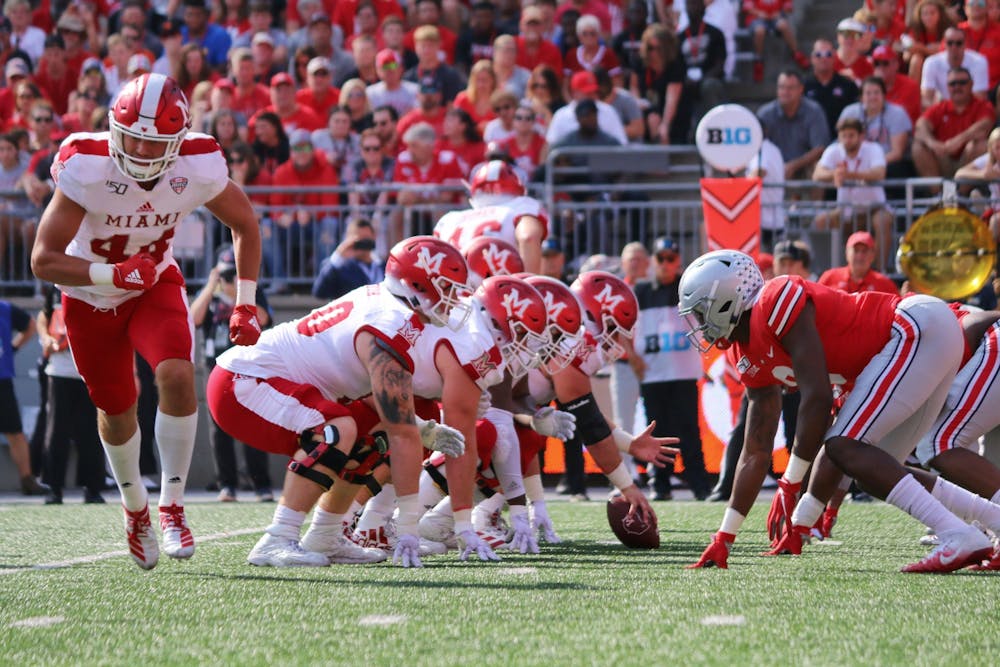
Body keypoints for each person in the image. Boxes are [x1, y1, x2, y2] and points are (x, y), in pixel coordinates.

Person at [30, 73, 263, 571]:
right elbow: (43, 260)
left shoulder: (198, 162)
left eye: (151, 140)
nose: (137, 149)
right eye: (130, 135)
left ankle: (173, 505)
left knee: (178, 372)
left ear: (177, 142)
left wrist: (246, 301)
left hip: (154, 283)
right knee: (118, 411)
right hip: (90, 294)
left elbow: (244, 222)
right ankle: (135, 508)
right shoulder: (87, 164)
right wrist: (110, 272)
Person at [681, 250, 994, 573]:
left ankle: (957, 533)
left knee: (847, 445)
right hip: (922, 339)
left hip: (915, 327)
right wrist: (725, 537)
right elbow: (755, 450)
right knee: (872, 471)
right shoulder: (742, 353)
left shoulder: (774, 299)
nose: (700, 325)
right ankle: (993, 521)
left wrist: (790, 484)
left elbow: (817, 398)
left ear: (725, 298)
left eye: (701, 312)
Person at [206, 236, 472, 568]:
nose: (453, 298)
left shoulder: (392, 306)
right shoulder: (389, 322)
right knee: (339, 427)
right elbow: (403, 432)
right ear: (417, 281)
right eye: (447, 287)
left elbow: (387, 414)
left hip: (264, 384)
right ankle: (278, 538)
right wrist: (408, 529)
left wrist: (420, 426)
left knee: (373, 436)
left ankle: (326, 534)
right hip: (243, 382)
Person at [189, 245, 274, 502]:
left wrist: (240, 295)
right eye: (226, 274)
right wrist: (211, 285)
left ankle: (261, 484)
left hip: (248, 365)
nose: (230, 280)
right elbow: (193, 318)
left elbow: (265, 319)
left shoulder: (251, 293)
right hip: (216, 367)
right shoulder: (212, 296)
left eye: (233, 273)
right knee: (218, 428)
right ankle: (227, 484)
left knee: (254, 423)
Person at [632, 238, 711, 500]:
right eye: (660, 258)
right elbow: (622, 326)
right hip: (653, 375)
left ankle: (699, 485)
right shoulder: (640, 292)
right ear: (653, 260)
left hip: (684, 373)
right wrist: (632, 357)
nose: (665, 264)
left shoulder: (687, 288)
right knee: (657, 432)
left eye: (671, 258)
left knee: (689, 430)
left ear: (677, 261)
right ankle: (660, 485)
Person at [35, 285, 105, 504]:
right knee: (56, 432)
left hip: (90, 371)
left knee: (91, 433)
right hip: (59, 371)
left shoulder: (99, 284)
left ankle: (92, 488)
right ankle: (54, 488)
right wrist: (46, 338)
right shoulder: (57, 285)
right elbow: (43, 316)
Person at [433, 159, 548, 274]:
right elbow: (528, 237)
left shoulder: (450, 219)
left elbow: (433, 258)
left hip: (455, 287)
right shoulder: (521, 206)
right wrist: (527, 284)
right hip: (498, 285)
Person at [812, 117, 894, 271]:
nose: (847, 140)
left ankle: (879, 271)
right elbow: (817, 174)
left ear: (861, 136)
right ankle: (830, 271)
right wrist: (835, 174)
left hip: (875, 208)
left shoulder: (873, 149)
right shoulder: (834, 150)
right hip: (846, 210)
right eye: (844, 136)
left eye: (851, 135)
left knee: (882, 221)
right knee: (821, 221)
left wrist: (849, 175)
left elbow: (879, 173)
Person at [1, 298, 48, 496]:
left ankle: (27, 480)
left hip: (2, 379)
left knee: (15, 431)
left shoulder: (4, 308)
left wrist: (12, 349)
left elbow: (30, 326)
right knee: (15, 433)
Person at [912, 66, 994, 179]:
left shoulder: (983, 106)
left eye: (962, 82)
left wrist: (958, 140)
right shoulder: (940, 107)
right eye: (952, 83)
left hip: (968, 162)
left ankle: (962, 192)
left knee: (979, 145)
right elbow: (920, 126)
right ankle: (938, 193)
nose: (957, 87)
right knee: (918, 147)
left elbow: (984, 127)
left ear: (971, 84)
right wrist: (932, 143)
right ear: (947, 87)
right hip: (943, 157)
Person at [756, 69, 830, 180]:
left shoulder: (814, 111)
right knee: (757, 168)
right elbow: (757, 147)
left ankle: (815, 199)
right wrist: (777, 166)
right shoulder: (765, 114)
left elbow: (819, 148)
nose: (785, 92)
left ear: (801, 89)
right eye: (781, 87)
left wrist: (794, 166)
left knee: (818, 169)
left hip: (804, 166)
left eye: (790, 88)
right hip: (771, 165)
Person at [311, 218, 385, 299]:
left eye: (366, 239)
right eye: (359, 240)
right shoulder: (339, 267)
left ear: (374, 237)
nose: (363, 243)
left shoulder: (382, 266)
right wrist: (338, 257)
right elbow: (319, 292)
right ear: (348, 239)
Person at [920, 27, 990, 108]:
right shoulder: (931, 63)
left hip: (971, 110)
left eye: (959, 43)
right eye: (950, 43)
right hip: (943, 110)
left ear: (965, 44)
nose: (954, 47)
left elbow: (980, 98)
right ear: (944, 44)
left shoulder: (979, 61)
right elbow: (926, 99)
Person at [804, 38, 860, 139]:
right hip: (810, 141)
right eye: (818, 55)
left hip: (842, 141)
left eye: (828, 54)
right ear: (812, 58)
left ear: (834, 57)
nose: (823, 58)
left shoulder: (848, 85)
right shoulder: (803, 86)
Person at [745, 0, 808, 82]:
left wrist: (779, 13)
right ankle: (758, 61)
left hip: (775, 18)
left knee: (783, 25)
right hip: (756, 18)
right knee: (760, 31)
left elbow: (788, 7)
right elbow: (747, 8)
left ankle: (796, 53)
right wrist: (759, 13)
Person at [818, 231, 899, 295]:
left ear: (873, 255)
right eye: (856, 250)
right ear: (847, 253)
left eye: (864, 251)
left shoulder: (885, 285)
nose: (860, 256)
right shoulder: (829, 278)